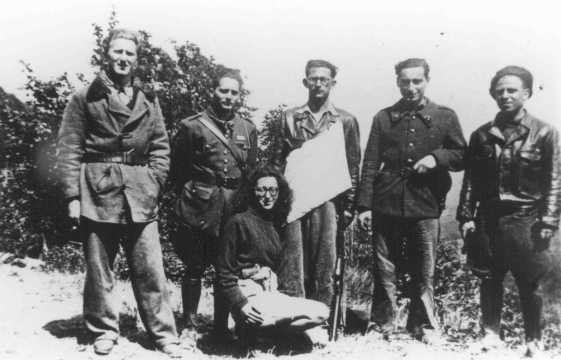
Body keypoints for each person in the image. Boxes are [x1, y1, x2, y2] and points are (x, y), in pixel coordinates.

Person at [56, 29, 181, 357]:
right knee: (100, 268)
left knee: (150, 267)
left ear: (137, 60)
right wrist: (72, 196)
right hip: (98, 189)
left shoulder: (149, 99)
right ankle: (103, 329)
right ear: (106, 55)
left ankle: (163, 333)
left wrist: (154, 182)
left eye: (130, 54)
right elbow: (69, 149)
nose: (123, 59)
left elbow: (160, 146)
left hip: (141, 191)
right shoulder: (84, 97)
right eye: (118, 52)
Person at [357, 58, 466, 342]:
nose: (411, 87)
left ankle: (424, 327)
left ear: (427, 80)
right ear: (397, 82)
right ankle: (381, 324)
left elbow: (461, 155)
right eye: (405, 81)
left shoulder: (445, 116)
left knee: (424, 269)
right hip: (386, 200)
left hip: (426, 202)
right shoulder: (383, 117)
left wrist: (436, 158)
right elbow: (370, 163)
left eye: (417, 81)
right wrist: (364, 207)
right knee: (384, 267)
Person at [457, 66, 560, 357]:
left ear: (526, 93)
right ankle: (491, 335)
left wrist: (548, 221)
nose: (506, 95)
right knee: (489, 277)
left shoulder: (544, 133)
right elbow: (471, 181)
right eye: (500, 91)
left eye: (512, 90)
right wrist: (465, 217)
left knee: (530, 281)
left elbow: (555, 181)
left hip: (526, 218)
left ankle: (533, 341)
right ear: (493, 95)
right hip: (488, 218)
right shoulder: (482, 135)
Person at [170, 69, 258, 340]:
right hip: (199, 205)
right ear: (213, 91)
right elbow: (178, 171)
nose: (228, 97)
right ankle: (189, 324)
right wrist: (191, 198)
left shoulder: (248, 128)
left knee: (226, 269)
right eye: (223, 90)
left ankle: (221, 327)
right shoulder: (192, 126)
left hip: (233, 207)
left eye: (234, 92)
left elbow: (251, 173)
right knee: (195, 265)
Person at [273, 59, 361, 306]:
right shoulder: (289, 118)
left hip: (328, 199)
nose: (319, 84)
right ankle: (291, 315)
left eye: (324, 79)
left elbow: (353, 166)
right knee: (293, 259)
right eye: (314, 78)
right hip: (294, 199)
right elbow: (277, 164)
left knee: (325, 261)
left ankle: (320, 317)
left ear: (333, 83)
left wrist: (348, 207)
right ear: (305, 81)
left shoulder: (345, 121)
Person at [216, 165, 329, 346]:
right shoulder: (238, 222)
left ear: (279, 193)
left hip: (269, 292)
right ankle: (254, 331)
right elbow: (223, 273)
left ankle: (268, 335)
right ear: (252, 191)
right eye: (261, 190)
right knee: (267, 318)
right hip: (247, 294)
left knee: (321, 313)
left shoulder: (277, 225)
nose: (267, 196)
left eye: (272, 190)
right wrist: (240, 303)